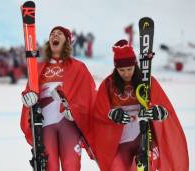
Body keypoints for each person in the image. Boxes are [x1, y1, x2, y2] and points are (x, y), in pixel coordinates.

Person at [90, 39, 189, 170]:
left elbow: (166, 111)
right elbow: (98, 113)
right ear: (116, 68)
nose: (126, 73)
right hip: (120, 143)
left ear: (135, 65)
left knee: (141, 167)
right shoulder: (108, 85)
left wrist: (157, 112)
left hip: (144, 139)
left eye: (129, 69)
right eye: (122, 70)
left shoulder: (147, 82)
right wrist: (112, 114)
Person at [20, 26, 97, 171]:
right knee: (50, 167)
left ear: (67, 41)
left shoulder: (78, 67)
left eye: (59, 34)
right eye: (52, 34)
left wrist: (76, 111)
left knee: (71, 166)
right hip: (45, 126)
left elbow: (89, 98)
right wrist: (27, 98)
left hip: (69, 125)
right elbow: (29, 92)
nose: (55, 36)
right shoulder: (38, 66)